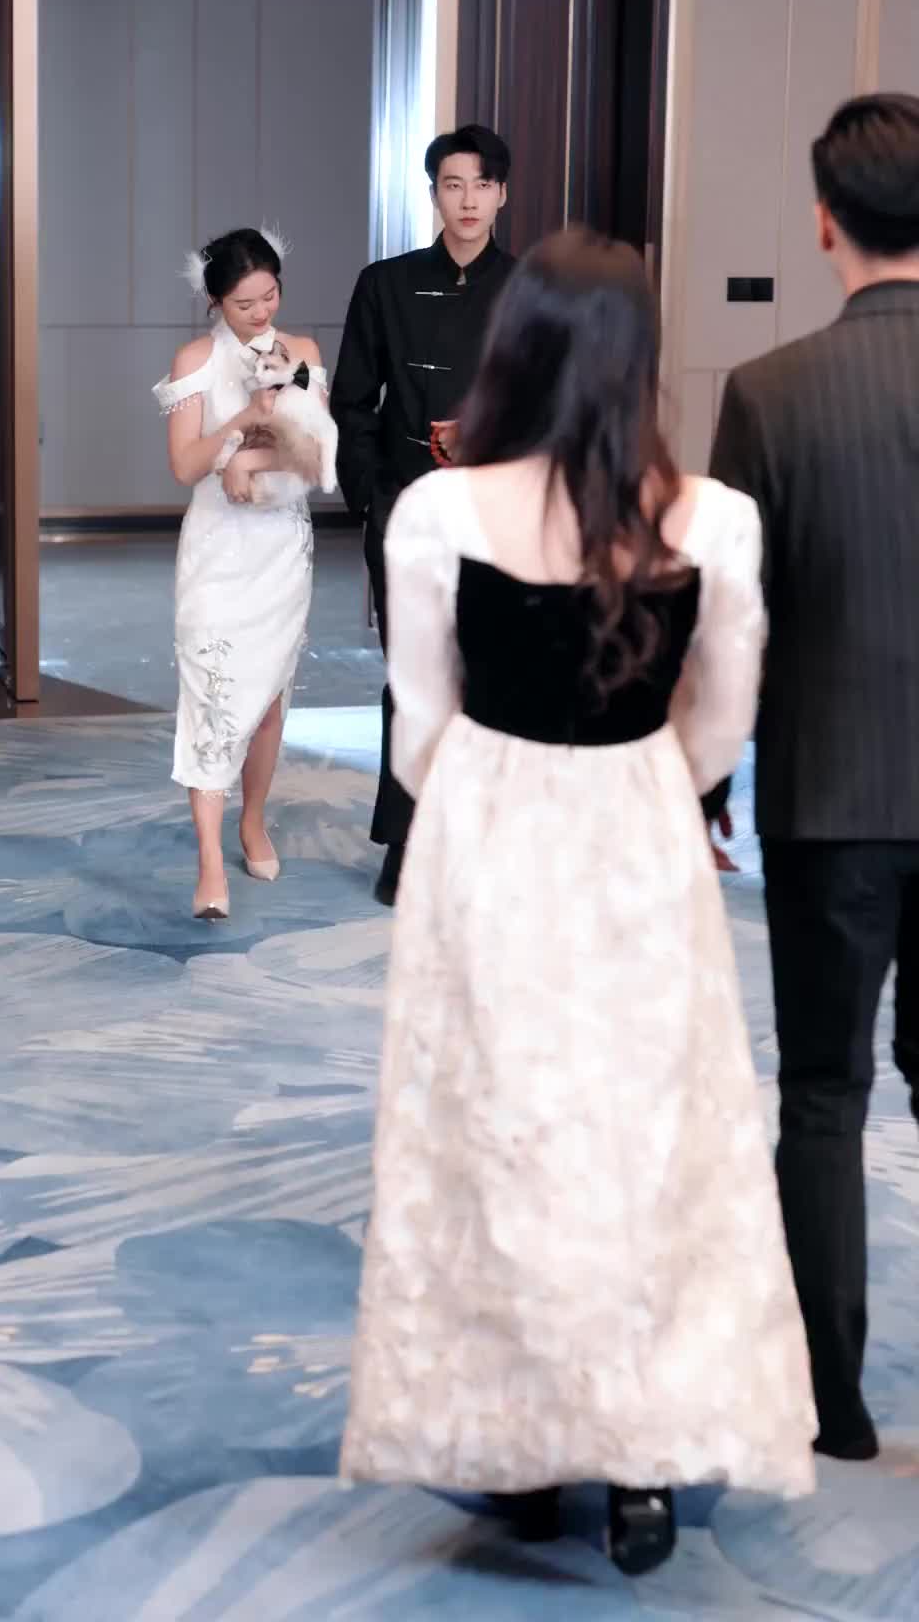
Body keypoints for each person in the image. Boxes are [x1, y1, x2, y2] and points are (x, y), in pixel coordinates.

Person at [341, 228, 816, 1575]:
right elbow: (721, 722)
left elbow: (418, 726)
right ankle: (640, 1464)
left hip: (488, 832)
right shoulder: (712, 520)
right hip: (639, 833)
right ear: (637, 361)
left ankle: (524, 1441)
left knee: (498, 1126)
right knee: (645, 1135)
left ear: (516, 350)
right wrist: (646, 782)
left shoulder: (440, 515)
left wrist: (497, 787)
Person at [709, 92, 919, 1463]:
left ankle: (830, 1405)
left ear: (825, 220)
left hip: (830, 793)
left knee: (826, 1094)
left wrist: (704, 780)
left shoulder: (771, 392)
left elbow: (731, 616)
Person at [331, 125, 516, 906]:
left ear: (502, 194)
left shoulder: (532, 289)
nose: (467, 200)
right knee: (413, 676)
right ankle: (405, 842)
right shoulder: (386, 284)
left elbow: (552, 399)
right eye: (452, 184)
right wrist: (373, 496)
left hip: (502, 513)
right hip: (407, 507)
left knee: (494, 678)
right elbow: (351, 401)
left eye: (482, 185)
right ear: (434, 192)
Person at [153, 228, 327, 920]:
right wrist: (241, 428)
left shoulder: (303, 353)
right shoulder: (195, 361)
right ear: (215, 301)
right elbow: (183, 467)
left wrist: (252, 459)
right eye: (244, 303)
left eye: (269, 296)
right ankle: (207, 863)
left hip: (279, 545)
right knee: (211, 693)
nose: (260, 313)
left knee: (267, 702)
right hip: (218, 550)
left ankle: (252, 821)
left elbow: (316, 453)